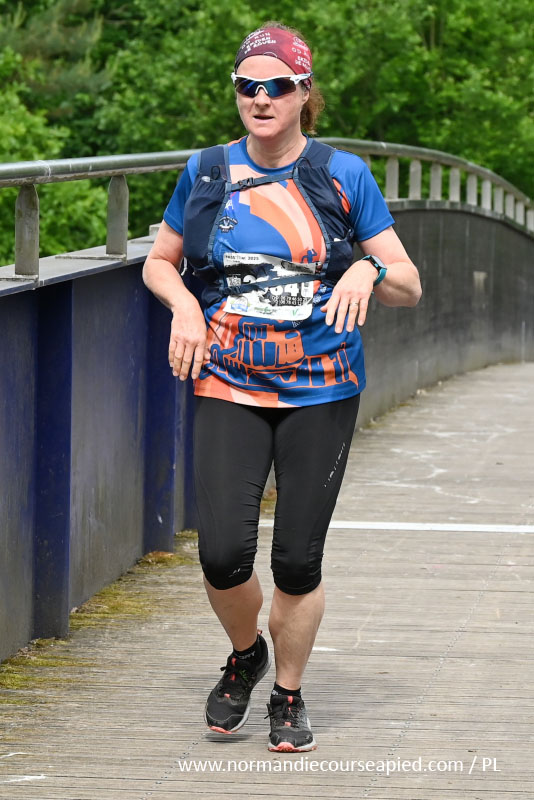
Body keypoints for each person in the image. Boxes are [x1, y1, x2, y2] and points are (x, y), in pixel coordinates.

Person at [142, 22, 422, 753]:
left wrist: (366, 268)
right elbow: (159, 261)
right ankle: (246, 655)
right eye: (248, 86)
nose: (261, 99)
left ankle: (288, 694)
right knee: (221, 555)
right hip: (227, 381)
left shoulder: (341, 174)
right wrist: (183, 307)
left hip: (322, 388)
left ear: (303, 93)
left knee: (297, 560)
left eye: (277, 86)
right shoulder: (207, 172)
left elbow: (409, 284)